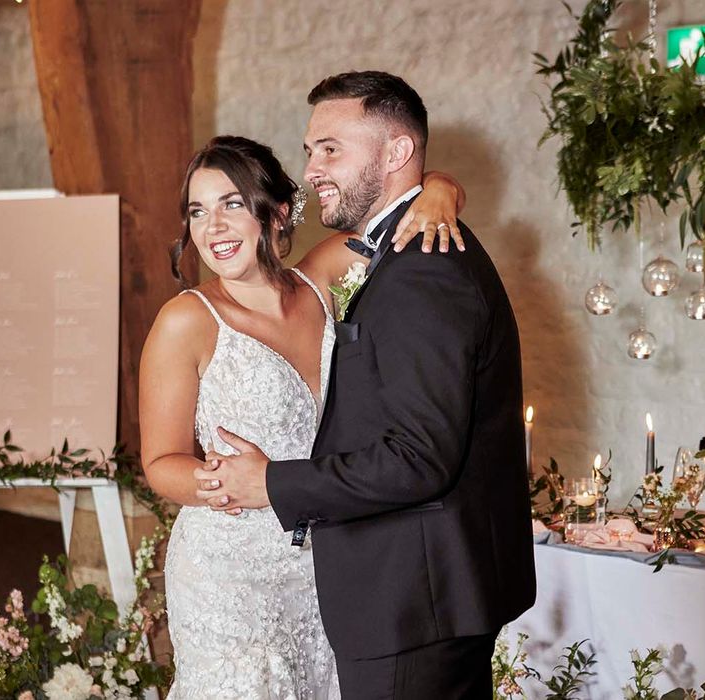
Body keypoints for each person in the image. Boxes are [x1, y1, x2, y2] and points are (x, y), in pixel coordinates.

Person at [199, 71, 537, 698]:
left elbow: (418, 456)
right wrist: (438, 187)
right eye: (308, 151)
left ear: (396, 153)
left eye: (331, 148)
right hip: (405, 589)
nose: (313, 168)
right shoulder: (387, 251)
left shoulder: (421, 267)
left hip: (413, 597)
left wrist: (269, 482)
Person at [139, 135, 465, 699]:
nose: (212, 226)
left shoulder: (323, 280)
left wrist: (439, 190)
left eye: (231, 204)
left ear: (279, 211)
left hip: (327, 564)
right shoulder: (186, 320)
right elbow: (160, 462)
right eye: (197, 211)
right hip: (230, 572)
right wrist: (227, 483)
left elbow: (414, 205)